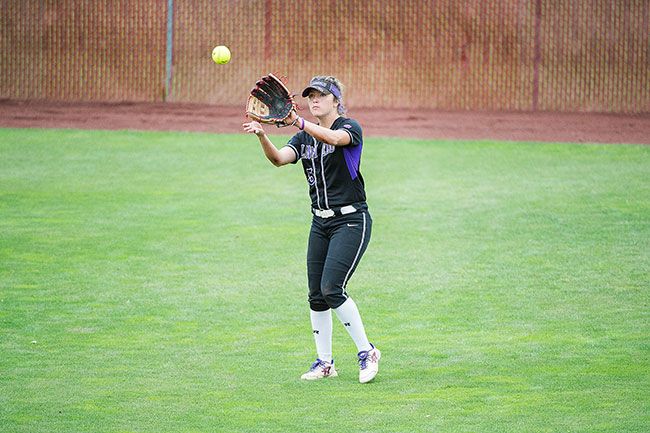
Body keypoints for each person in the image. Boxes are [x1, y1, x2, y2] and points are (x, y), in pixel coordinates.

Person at [242, 75, 380, 383]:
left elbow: (334, 140)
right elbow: (279, 159)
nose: (314, 100)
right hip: (320, 223)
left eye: (320, 96)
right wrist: (263, 136)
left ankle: (367, 352)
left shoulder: (349, 127)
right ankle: (325, 362)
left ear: (335, 101)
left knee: (332, 288)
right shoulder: (303, 139)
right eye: (310, 96)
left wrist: (299, 122)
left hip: (351, 221)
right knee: (316, 295)